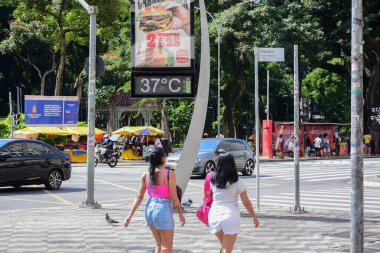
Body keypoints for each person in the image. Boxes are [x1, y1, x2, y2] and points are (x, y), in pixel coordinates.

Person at [123, 147, 185, 253]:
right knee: (166, 247)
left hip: (150, 208)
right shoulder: (169, 174)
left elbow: (139, 197)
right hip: (163, 208)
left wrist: (129, 216)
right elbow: (174, 197)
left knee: (158, 244)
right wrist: (180, 213)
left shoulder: (145, 175)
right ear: (163, 158)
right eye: (165, 155)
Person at [208, 153, 259, 253]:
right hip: (230, 216)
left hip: (214, 215)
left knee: (224, 247)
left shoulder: (213, 180)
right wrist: (254, 216)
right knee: (227, 249)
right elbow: (246, 202)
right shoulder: (237, 181)